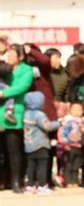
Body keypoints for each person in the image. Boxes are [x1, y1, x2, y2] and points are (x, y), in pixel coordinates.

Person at [0, 45, 34, 193]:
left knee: (14, 149)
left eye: (13, 54)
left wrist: (3, 93)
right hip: (1, 110)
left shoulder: (26, 70)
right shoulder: (3, 68)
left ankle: (16, 181)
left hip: (14, 111)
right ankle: (4, 180)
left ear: (20, 56)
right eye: (9, 54)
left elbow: (22, 86)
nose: (10, 57)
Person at [23, 92, 59, 194]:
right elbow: (47, 126)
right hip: (40, 144)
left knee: (31, 165)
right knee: (42, 166)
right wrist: (58, 123)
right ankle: (42, 185)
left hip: (29, 145)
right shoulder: (39, 115)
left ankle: (30, 185)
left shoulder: (26, 113)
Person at [58, 102, 84, 187]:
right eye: (75, 109)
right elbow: (63, 133)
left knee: (76, 166)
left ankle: (75, 181)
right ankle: (68, 181)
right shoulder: (68, 121)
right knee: (68, 164)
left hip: (78, 146)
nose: (77, 111)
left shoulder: (82, 121)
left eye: (79, 109)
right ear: (70, 110)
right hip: (69, 146)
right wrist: (65, 143)